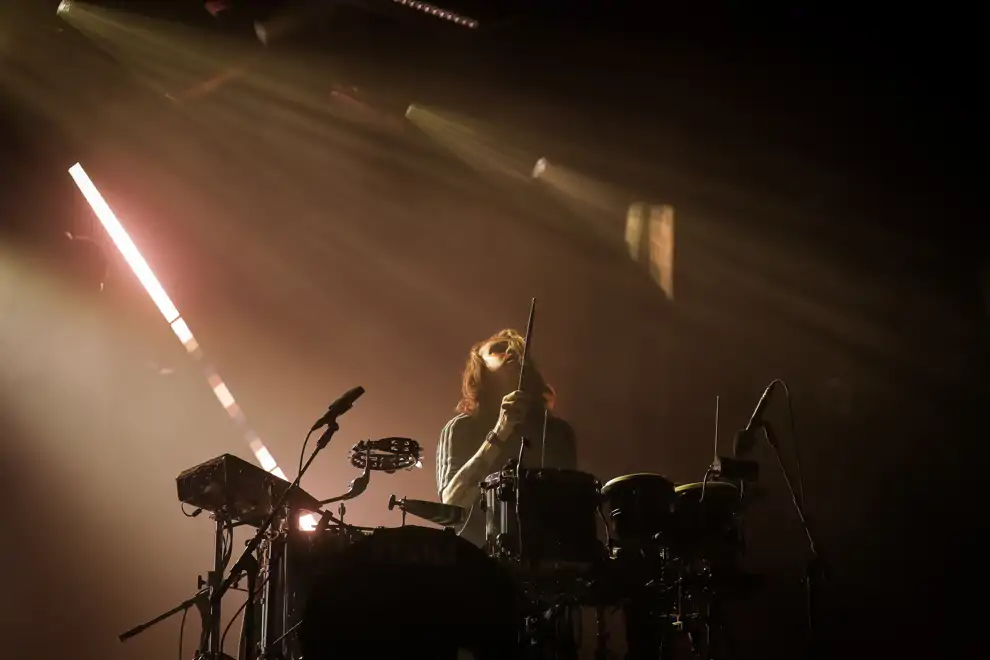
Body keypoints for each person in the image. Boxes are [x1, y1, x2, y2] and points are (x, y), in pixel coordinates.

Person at [435, 328, 578, 547]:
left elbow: (572, 508)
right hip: (476, 562)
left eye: (516, 349)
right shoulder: (461, 428)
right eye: (498, 349)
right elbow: (452, 504)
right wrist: (502, 429)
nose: (511, 351)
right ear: (480, 368)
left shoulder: (558, 432)